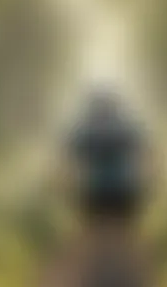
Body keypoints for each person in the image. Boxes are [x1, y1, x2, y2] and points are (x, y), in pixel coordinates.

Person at [62, 89, 153, 222]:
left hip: (93, 191)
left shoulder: (86, 128)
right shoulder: (125, 126)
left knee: (95, 229)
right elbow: (144, 149)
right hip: (124, 190)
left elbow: (71, 152)